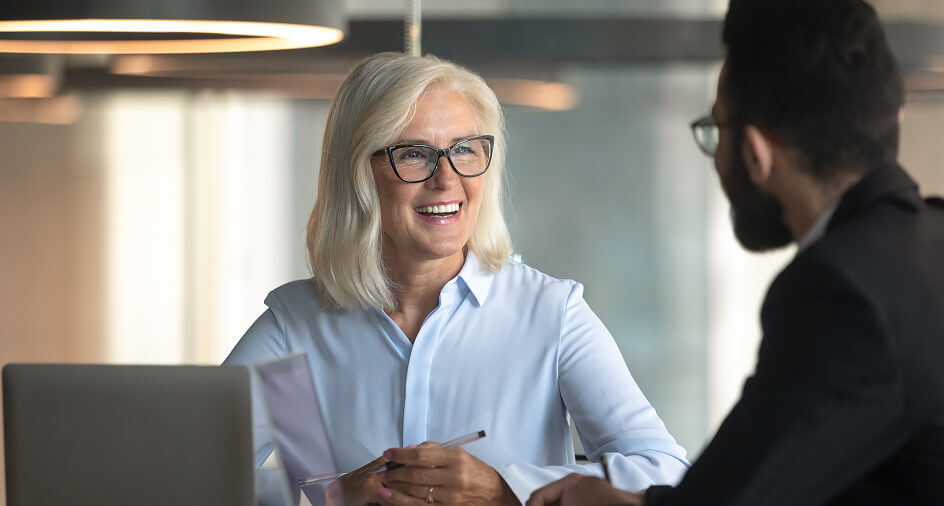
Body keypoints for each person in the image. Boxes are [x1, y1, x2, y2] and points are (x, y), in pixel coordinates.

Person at [223, 52, 688, 506]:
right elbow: (179, 473)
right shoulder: (295, 329)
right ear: (358, 174)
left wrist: (504, 489)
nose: (446, 179)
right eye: (413, 154)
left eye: (464, 149)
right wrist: (326, 498)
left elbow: (663, 469)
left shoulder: (550, 314)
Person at [527, 0, 944, 505]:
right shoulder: (928, 237)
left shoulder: (844, 290)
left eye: (715, 130)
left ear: (755, 152)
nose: (716, 159)